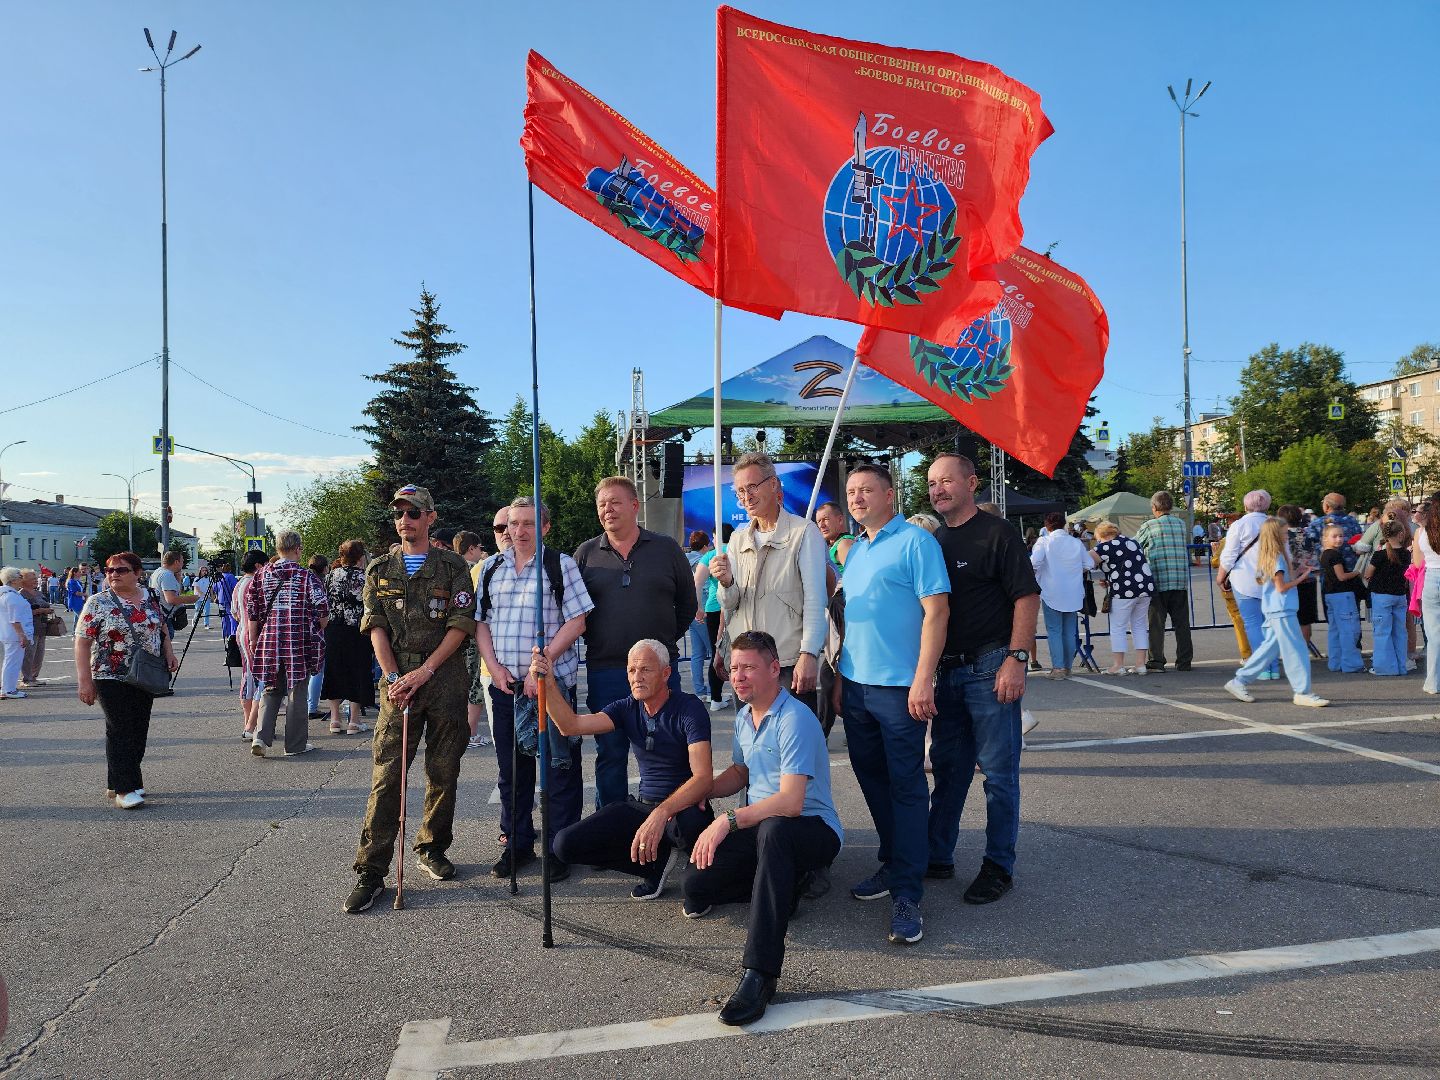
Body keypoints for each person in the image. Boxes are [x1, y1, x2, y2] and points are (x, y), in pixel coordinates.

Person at [683, 631, 842, 1027]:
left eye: (749, 667)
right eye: (734, 668)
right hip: (765, 828)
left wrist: (728, 820)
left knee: (773, 830)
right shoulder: (742, 716)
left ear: (775, 670)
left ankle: (760, 974)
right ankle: (784, 884)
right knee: (696, 886)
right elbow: (740, 773)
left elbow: (791, 802)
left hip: (811, 829)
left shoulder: (795, 719)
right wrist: (698, 791)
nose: (738, 676)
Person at [346, 485, 478, 913]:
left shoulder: (453, 567)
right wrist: (392, 676)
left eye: (414, 513)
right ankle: (371, 870)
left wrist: (425, 671)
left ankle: (432, 847)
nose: (405, 520)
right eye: (400, 513)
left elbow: (460, 625)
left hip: (443, 678)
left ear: (430, 517)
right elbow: (376, 626)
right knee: (387, 777)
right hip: (398, 680)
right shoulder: (380, 569)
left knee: (443, 770)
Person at [836, 463, 948, 945]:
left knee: (904, 785)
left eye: (866, 490)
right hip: (856, 686)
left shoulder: (916, 542)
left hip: (900, 687)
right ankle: (895, 858)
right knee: (871, 777)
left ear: (889, 494)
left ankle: (908, 890)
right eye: (851, 492)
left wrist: (923, 678)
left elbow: (937, 611)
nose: (857, 498)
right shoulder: (857, 548)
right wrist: (842, 680)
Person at [924, 453, 1039, 904]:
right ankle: (938, 854)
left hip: (991, 668)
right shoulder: (934, 540)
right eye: (932, 483)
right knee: (949, 772)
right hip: (947, 672)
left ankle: (998, 866)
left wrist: (1017, 658)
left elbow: (1026, 597)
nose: (938, 490)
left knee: (998, 775)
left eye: (947, 481)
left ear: (972, 482)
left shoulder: (998, 533)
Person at [535, 639, 714, 899]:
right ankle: (655, 865)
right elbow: (569, 725)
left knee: (693, 860)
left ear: (666, 673)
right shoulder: (626, 707)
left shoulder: (689, 708)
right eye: (632, 670)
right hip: (644, 805)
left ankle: (697, 872)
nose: (637, 677)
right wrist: (548, 682)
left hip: (682, 809)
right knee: (564, 844)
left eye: (645, 670)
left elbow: (703, 779)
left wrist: (661, 813)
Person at [475, 496, 593, 883]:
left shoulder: (560, 565)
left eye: (528, 523)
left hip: (549, 684)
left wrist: (541, 665)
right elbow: (480, 624)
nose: (519, 531)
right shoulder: (492, 567)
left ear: (544, 527)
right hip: (505, 686)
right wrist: (493, 668)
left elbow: (577, 620)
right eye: (513, 524)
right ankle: (518, 844)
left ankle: (561, 847)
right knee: (512, 771)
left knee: (559, 768)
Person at [574, 476, 696, 809]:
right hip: (606, 671)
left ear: (634, 506)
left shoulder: (666, 548)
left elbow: (688, 604)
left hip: (661, 673)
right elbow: (573, 613)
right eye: (601, 504)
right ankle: (610, 828)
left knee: (669, 749)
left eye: (614, 502)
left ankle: (673, 825)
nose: (607, 510)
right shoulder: (585, 555)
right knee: (610, 754)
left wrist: (662, 645)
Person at [711, 453, 827, 715]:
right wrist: (726, 582)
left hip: (785, 663)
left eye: (752, 487)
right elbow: (729, 604)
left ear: (773, 484)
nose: (746, 496)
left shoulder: (803, 533)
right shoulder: (738, 540)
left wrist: (809, 654)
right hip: (744, 662)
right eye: (740, 491)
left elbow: (815, 600)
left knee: (792, 746)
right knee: (752, 747)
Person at [73, 552, 180, 807]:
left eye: (120, 570)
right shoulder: (98, 602)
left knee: (139, 728)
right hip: (109, 673)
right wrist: (84, 681)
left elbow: (162, 626)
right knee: (120, 728)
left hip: (145, 673)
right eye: (109, 570)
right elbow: (82, 642)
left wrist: (169, 652)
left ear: (137, 573)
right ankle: (124, 790)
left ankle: (125, 780)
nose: (113, 575)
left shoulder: (149, 596)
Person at [1224, 518, 1328, 707]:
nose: (1287, 535)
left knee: (1268, 650)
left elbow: (1278, 584)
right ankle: (1302, 691)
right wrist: (1302, 577)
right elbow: (1281, 587)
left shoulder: (1272, 555)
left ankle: (1239, 682)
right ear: (1276, 534)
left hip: (1277, 609)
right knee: (1296, 651)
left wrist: (1298, 575)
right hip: (1281, 609)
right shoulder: (1277, 557)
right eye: (1284, 532)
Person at [245, 532, 329, 757]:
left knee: (271, 688)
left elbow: (252, 609)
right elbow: (322, 609)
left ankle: (260, 738)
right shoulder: (307, 576)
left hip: (270, 638)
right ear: (298, 549)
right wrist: (318, 628)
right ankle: (294, 745)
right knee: (297, 691)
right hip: (298, 639)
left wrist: (254, 639)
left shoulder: (261, 574)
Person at [1219, 490, 1279, 680]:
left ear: (1245, 506)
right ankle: (1274, 667)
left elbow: (1229, 555)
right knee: (1271, 625)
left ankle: (1262, 668)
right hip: (1272, 580)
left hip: (1245, 581)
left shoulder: (1239, 525)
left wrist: (1220, 577)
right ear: (1267, 505)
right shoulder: (1275, 524)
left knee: (1253, 624)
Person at [320, 540, 376, 735]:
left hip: (334, 629)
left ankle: (335, 719)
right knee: (358, 671)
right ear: (361, 557)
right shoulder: (366, 578)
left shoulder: (330, 576)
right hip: (358, 630)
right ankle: (354, 720)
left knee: (334, 670)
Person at [1136, 491, 1194, 672]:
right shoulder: (1180, 524)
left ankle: (1156, 661)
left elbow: (1135, 546)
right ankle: (1184, 661)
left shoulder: (1149, 526)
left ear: (1154, 508)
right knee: (1182, 623)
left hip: (1158, 580)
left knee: (1156, 623)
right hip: (1179, 579)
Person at [1028, 511, 1087, 679]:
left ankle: (1058, 668)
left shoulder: (1044, 541)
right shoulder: (1076, 542)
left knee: (1054, 630)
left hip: (1052, 591)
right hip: (1074, 592)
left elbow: (1034, 563)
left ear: (1047, 526)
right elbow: (1088, 564)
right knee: (1069, 632)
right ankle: (1067, 667)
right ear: (1063, 525)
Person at [1092, 522, 1156, 675]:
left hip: (1124, 591)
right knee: (1139, 625)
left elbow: (1086, 560)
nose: (1098, 543)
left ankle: (1118, 665)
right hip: (1145, 587)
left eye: (1098, 539)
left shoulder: (1106, 546)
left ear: (1103, 536)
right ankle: (1140, 664)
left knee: (1118, 627)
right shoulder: (1132, 542)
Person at [454, 530, 493, 750]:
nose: (481, 552)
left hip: (456, 639)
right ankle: (470, 733)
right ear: (471, 548)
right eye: (479, 548)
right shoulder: (476, 570)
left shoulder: (451, 568)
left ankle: (461, 732)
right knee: (475, 688)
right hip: (473, 639)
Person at [1363, 520, 1411, 677]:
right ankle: (1401, 665)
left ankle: (1385, 667)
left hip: (1382, 595)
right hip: (1400, 595)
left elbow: (1368, 574)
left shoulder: (1379, 555)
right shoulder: (1406, 554)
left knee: (1383, 632)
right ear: (1401, 534)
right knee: (1400, 632)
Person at [693, 523, 732, 710]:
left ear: (717, 536)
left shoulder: (710, 555)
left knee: (717, 652)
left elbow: (697, 584)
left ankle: (715, 697)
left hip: (714, 609)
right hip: (736, 606)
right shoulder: (737, 551)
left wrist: (698, 608)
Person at [231, 549, 268, 739]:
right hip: (255, 634)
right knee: (261, 679)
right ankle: (252, 725)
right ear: (259, 566)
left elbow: (234, 613)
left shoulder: (239, 584)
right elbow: (258, 614)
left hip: (241, 632)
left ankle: (248, 722)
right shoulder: (256, 583)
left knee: (248, 677)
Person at [1320, 524, 1365, 673]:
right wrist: (1357, 572)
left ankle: (1335, 662)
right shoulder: (1335, 555)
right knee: (1349, 630)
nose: (1339, 539)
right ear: (1325, 538)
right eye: (1335, 536)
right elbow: (1342, 576)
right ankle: (1351, 664)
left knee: (1335, 630)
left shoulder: (1324, 554)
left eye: (1341, 536)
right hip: (1343, 595)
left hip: (1330, 594)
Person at [1276, 505, 1320, 649]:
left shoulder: (1280, 537)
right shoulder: (1309, 535)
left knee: (1286, 618)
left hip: (1288, 582)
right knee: (1305, 620)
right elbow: (1316, 559)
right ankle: (1303, 649)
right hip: (1308, 579)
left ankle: (1287, 650)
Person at [684, 530, 715, 700]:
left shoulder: (685, 561)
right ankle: (713, 692)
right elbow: (704, 586)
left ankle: (700, 691)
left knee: (697, 653)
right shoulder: (703, 561)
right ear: (704, 547)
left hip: (689, 609)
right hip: (701, 608)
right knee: (713, 650)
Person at [0, 568, 34, 700]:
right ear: (13, 580)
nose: (22, 579)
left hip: (9, 634)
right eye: (20, 577)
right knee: (13, 662)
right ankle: (9, 689)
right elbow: (15, 620)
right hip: (14, 635)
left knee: (11, 662)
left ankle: (8, 688)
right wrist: (22, 635)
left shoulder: (6, 594)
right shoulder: (11, 597)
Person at [304, 554, 331, 719]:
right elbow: (323, 608)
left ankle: (309, 704)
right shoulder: (318, 582)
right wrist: (323, 625)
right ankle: (312, 706)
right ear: (324, 567)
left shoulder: (303, 578)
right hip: (315, 631)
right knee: (317, 671)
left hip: (300, 629)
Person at [19, 570, 55, 689]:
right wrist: (41, 611)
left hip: (42, 626)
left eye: (35, 578)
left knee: (39, 654)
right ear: (23, 581)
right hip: (29, 628)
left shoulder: (38, 593)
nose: (35, 580)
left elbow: (46, 604)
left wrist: (48, 610)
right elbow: (21, 613)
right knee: (29, 654)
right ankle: (26, 678)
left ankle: (34, 676)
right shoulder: (21, 594)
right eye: (32, 578)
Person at [1419, 494, 1440, 695]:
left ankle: (1433, 682)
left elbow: (1418, 563)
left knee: (1434, 635)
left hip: (1431, 578)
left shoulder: (1424, 532)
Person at [148, 551, 196, 632]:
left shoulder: (157, 572)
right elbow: (171, 599)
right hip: (166, 618)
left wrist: (178, 578)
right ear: (176, 562)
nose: (183, 564)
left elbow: (175, 592)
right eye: (182, 561)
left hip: (158, 615)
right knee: (165, 642)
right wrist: (192, 599)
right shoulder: (167, 575)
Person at [814, 501, 855, 577]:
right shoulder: (833, 545)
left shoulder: (844, 544)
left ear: (840, 520)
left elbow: (856, 575)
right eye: (818, 521)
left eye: (826, 519)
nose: (821, 525)